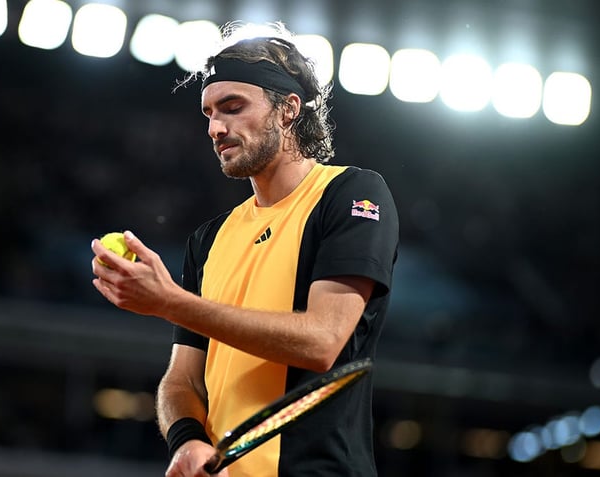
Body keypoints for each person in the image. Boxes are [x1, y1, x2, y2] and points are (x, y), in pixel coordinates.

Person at [91, 22, 399, 477]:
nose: (216, 128)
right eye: (209, 113)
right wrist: (187, 439)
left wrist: (171, 303)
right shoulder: (209, 239)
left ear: (288, 109)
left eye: (233, 108)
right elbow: (183, 379)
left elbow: (322, 341)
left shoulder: (352, 193)